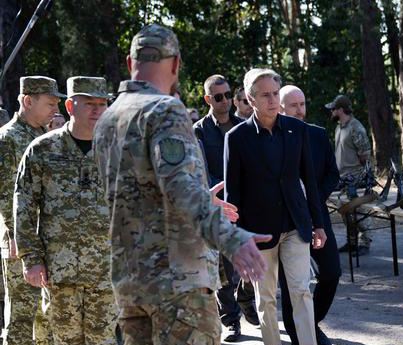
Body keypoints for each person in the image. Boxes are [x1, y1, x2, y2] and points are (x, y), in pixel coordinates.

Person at [93, 24, 271, 345]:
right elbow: (179, 188)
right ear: (175, 64)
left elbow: (133, 193)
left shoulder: (107, 118)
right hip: (177, 283)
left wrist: (202, 197)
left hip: (129, 281)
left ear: (129, 61)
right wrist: (232, 238)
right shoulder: (164, 110)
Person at [224, 68, 326, 345]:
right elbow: (233, 194)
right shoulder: (236, 138)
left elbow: (310, 182)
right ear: (250, 98)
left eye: (274, 93)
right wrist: (236, 240)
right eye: (265, 95)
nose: (272, 100)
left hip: (296, 224)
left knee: (301, 291)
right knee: (266, 298)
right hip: (258, 232)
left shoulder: (298, 130)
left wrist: (318, 223)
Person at [14, 76, 117, 345]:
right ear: (70, 106)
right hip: (60, 272)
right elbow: (23, 205)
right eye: (89, 103)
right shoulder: (43, 150)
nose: (97, 110)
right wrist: (31, 259)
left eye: (102, 103)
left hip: (106, 272)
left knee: (104, 341)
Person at [193, 74, 257, 342]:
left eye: (228, 95)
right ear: (208, 99)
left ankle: (245, 296)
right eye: (218, 97)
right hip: (216, 206)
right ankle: (231, 321)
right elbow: (200, 171)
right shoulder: (198, 131)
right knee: (223, 268)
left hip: (244, 204)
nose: (225, 101)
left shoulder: (243, 126)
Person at [0, 76, 62, 345]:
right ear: (28, 100)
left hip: (44, 240)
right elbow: (3, 192)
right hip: (20, 244)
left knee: (45, 318)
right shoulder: (7, 139)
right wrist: (15, 234)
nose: (55, 110)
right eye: (49, 104)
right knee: (21, 318)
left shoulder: (43, 136)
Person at [279, 85, 341, 345]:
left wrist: (314, 200)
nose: (300, 110)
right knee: (292, 287)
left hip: (317, 217)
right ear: (280, 108)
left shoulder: (317, 135)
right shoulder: (272, 138)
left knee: (331, 273)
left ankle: (310, 323)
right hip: (283, 220)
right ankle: (299, 336)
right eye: (293, 105)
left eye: (302, 104)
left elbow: (332, 174)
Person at [325, 94, 373, 256]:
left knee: (359, 212)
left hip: (356, 177)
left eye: (333, 108)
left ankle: (365, 242)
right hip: (342, 177)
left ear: (340, 109)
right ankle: (351, 242)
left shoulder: (356, 127)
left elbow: (365, 154)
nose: (331, 111)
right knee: (345, 211)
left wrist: (359, 175)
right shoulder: (339, 127)